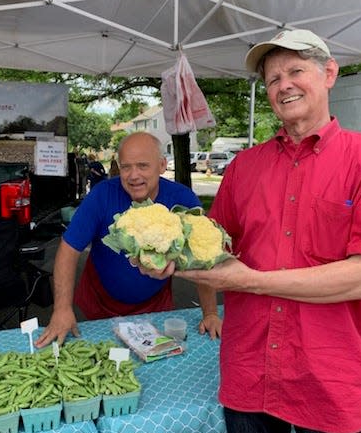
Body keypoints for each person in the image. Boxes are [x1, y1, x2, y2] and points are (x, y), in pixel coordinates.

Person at [142, 30, 361, 433]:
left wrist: (251, 281)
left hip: (332, 378)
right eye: (272, 79)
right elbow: (212, 250)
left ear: (329, 73)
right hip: (250, 370)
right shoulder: (244, 167)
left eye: (295, 71)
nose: (283, 84)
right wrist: (170, 257)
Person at [35, 131, 221, 348]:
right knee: (104, 358)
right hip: (99, 304)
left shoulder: (182, 199)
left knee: (152, 361)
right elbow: (68, 250)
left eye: (143, 166)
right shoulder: (101, 195)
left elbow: (202, 255)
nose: (133, 175)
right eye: (126, 167)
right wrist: (62, 309)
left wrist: (210, 313)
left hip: (156, 305)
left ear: (162, 165)